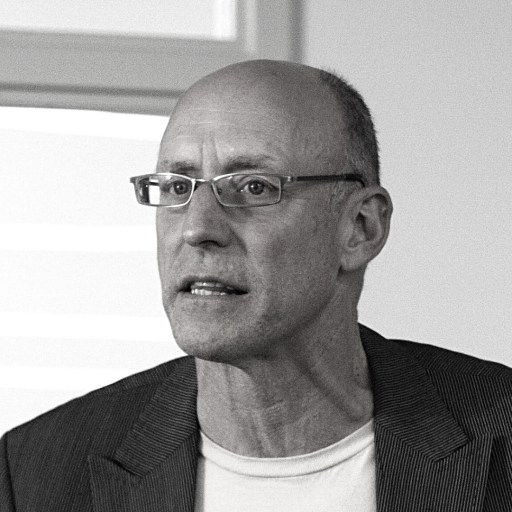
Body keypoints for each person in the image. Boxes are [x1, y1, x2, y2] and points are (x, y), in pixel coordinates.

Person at [1, 60, 510, 511]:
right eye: (177, 187)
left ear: (360, 228)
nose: (197, 228)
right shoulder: (35, 474)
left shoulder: (500, 431)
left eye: (253, 187)